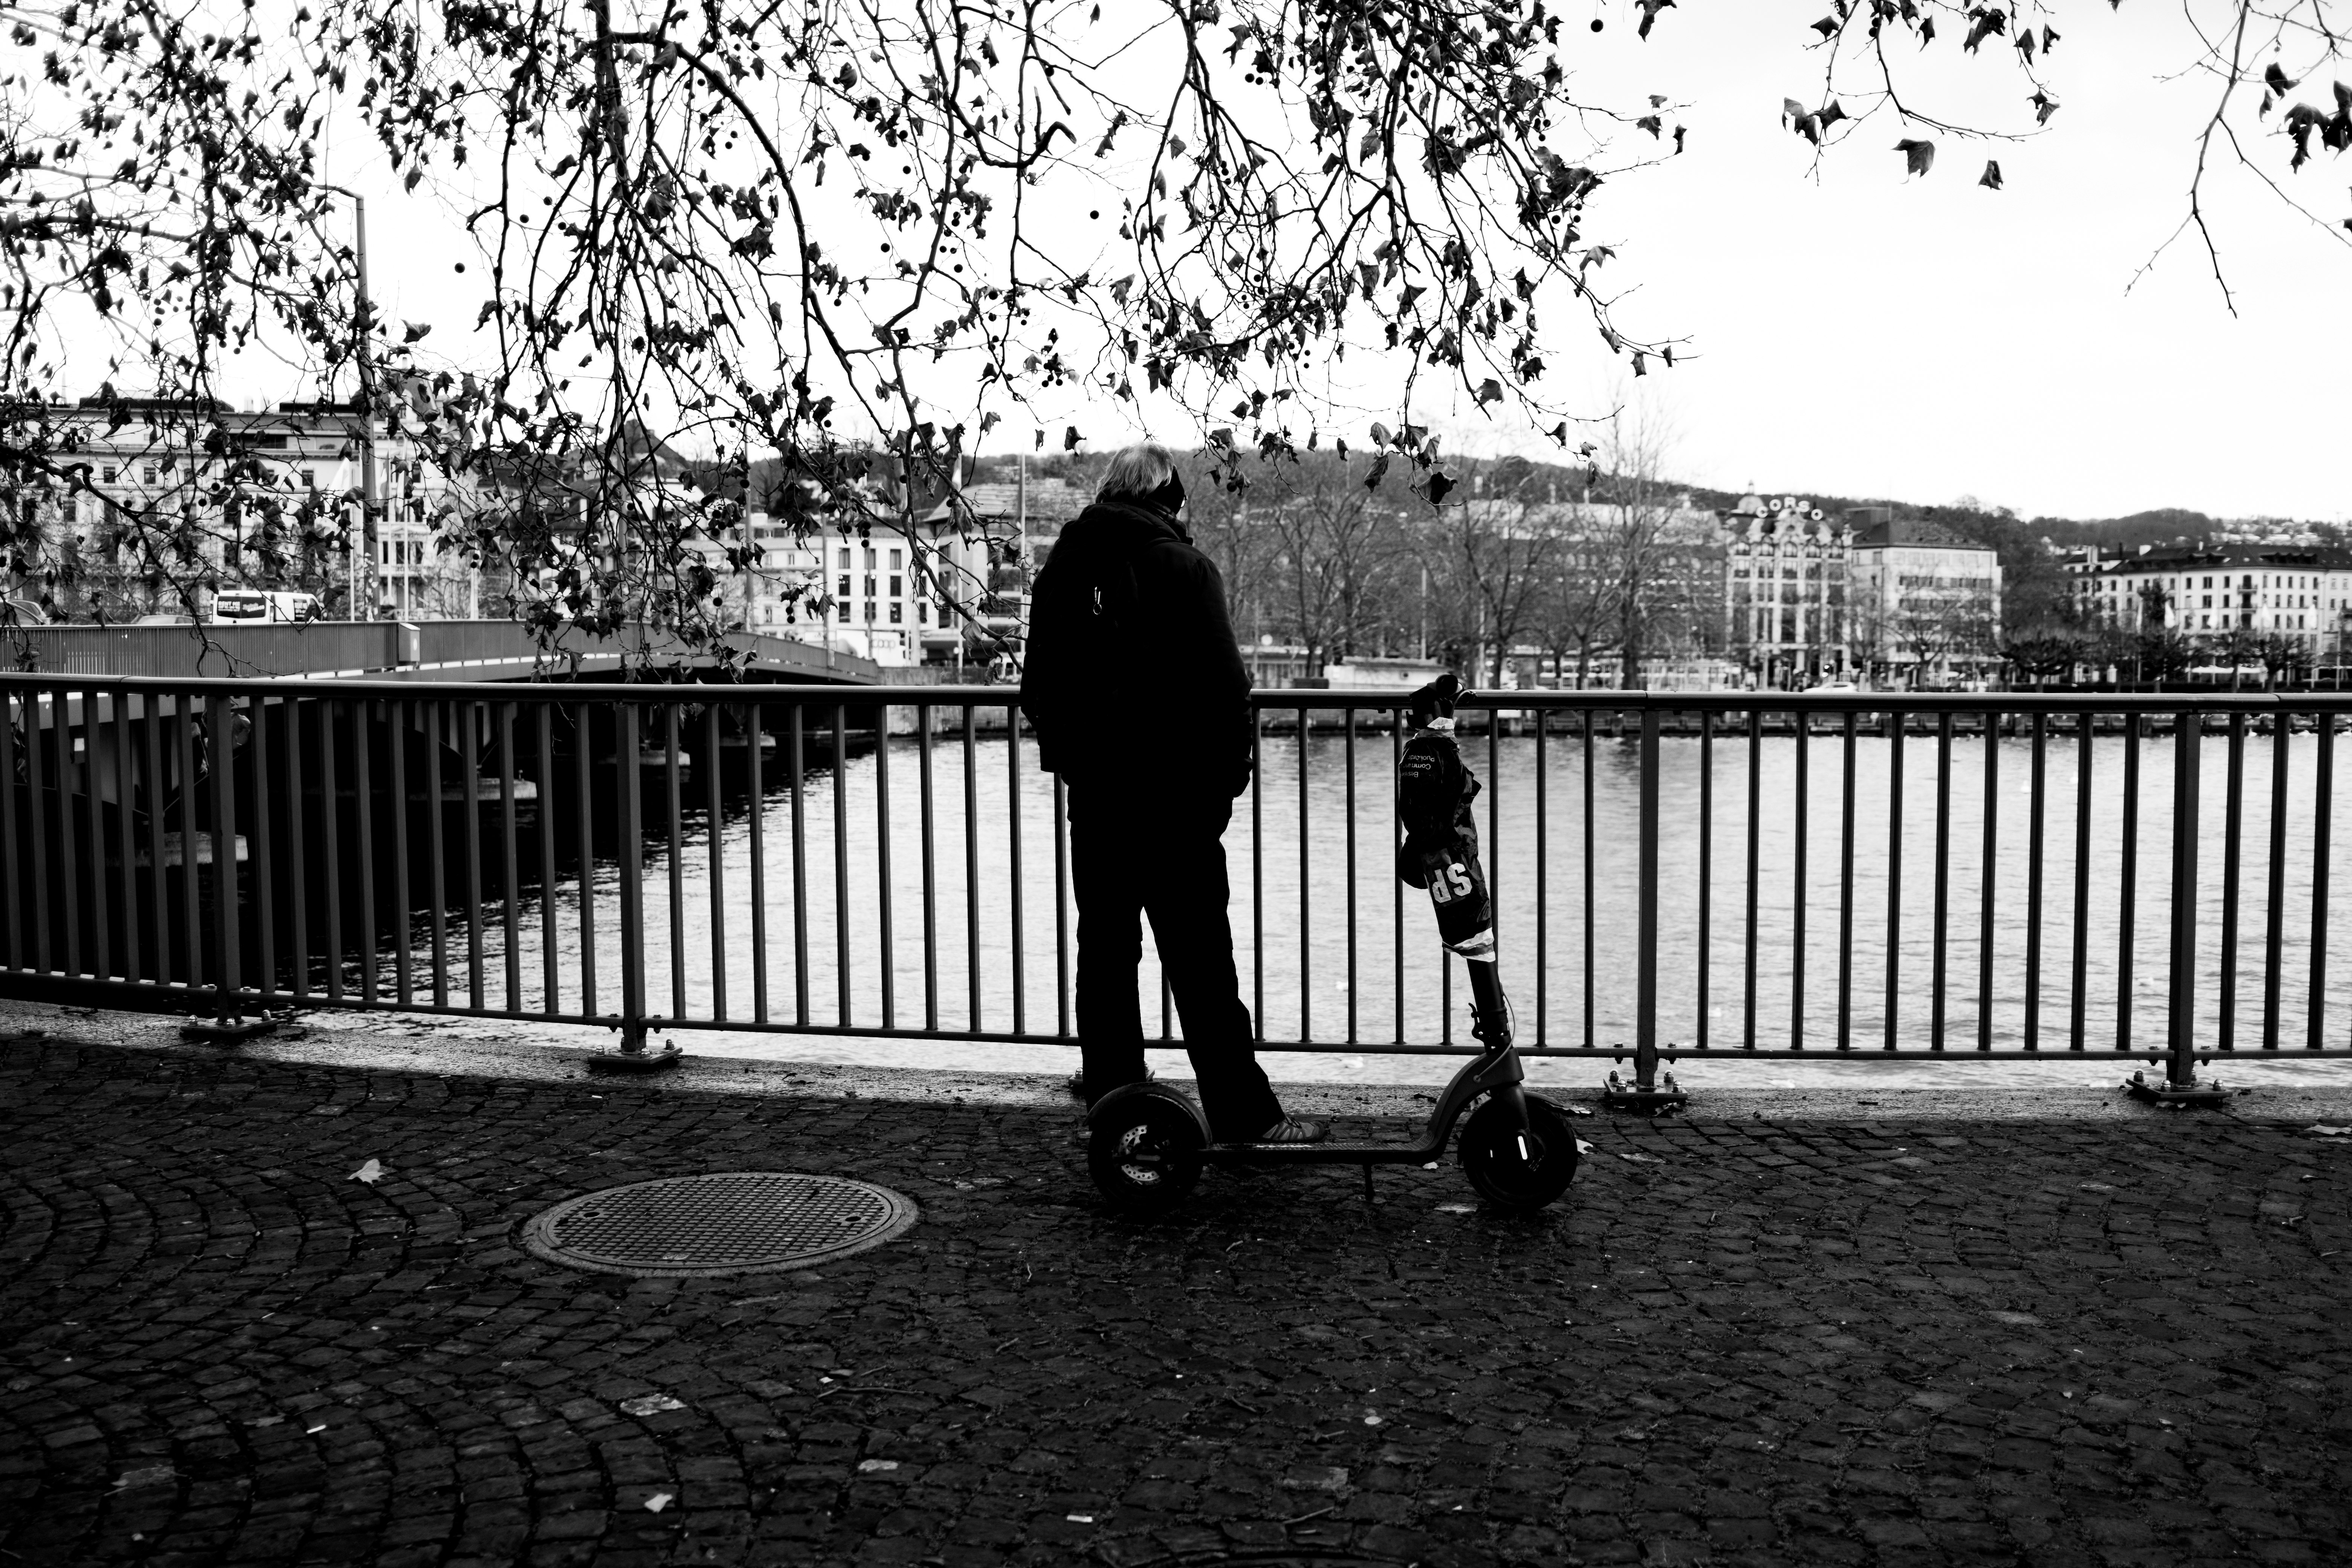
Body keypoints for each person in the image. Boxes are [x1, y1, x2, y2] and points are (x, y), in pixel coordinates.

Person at [1018, 441, 1327, 1145]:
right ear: (1169, 497)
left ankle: (1116, 1109)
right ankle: (1245, 1117)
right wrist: (1223, 784)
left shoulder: (1063, 568)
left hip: (1099, 797)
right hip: (1177, 802)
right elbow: (1226, 691)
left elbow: (1041, 689)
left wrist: (1076, 763)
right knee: (1200, 962)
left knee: (1105, 953)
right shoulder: (1185, 567)